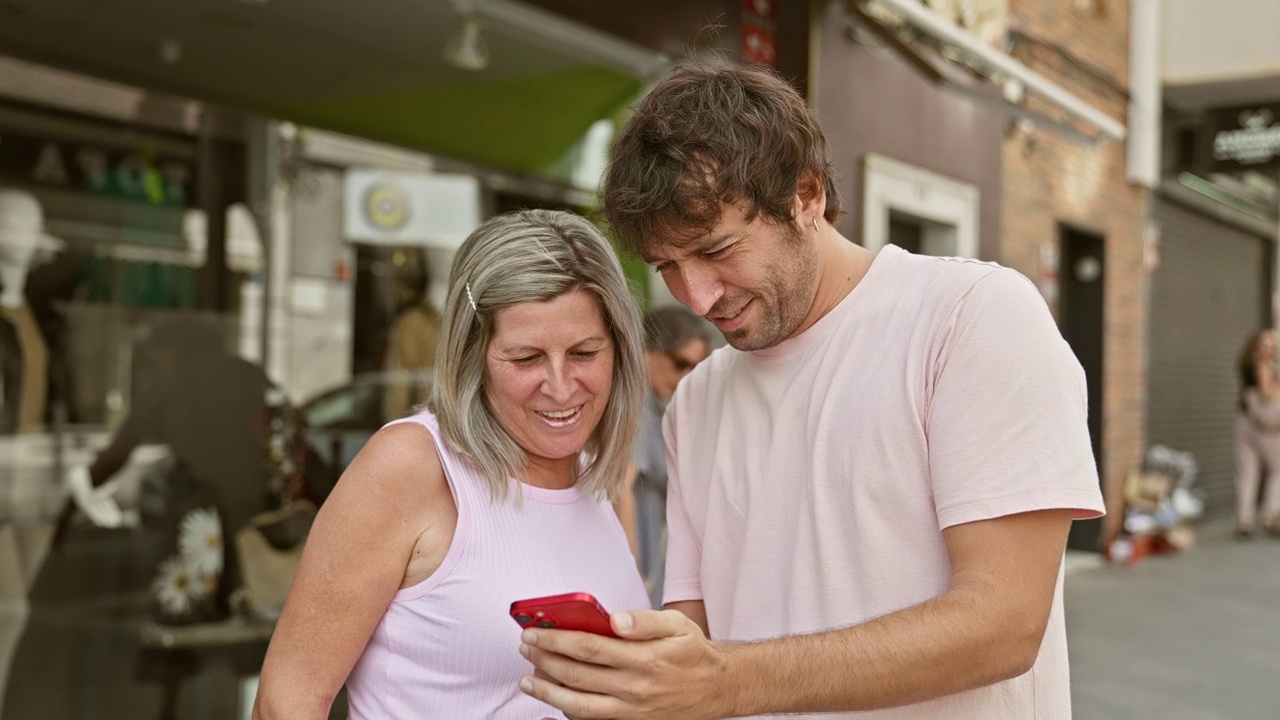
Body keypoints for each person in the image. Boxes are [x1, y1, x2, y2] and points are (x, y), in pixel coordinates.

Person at [518, 60, 1105, 719]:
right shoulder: (698, 399)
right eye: (667, 267)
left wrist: (725, 681)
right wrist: (637, 677)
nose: (697, 296)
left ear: (805, 193)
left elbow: (1003, 627)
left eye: (715, 250)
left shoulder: (973, 317)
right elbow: (698, 638)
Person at [253, 209, 651, 719]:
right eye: (526, 358)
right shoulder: (413, 465)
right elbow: (287, 699)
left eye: (584, 352)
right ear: (472, 355)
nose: (560, 384)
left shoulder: (599, 472)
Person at [626, 305, 711, 607]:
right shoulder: (635, 405)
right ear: (648, 351)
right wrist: (630, 570)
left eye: (695, 369)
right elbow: (619, 487)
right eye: (679, 363)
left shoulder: (653, 406)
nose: (685, 377)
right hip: (639, 564)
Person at [1233, 328, 1280, 538]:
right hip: (1264, 428)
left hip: (1247, 424)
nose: (1271, 348)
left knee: (1247, 474)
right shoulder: (1262, 366)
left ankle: (1245, 520)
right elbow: (1267, 393)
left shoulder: (1247, 366)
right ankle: (1268, 516)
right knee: (1276, 472)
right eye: (1267, 344)